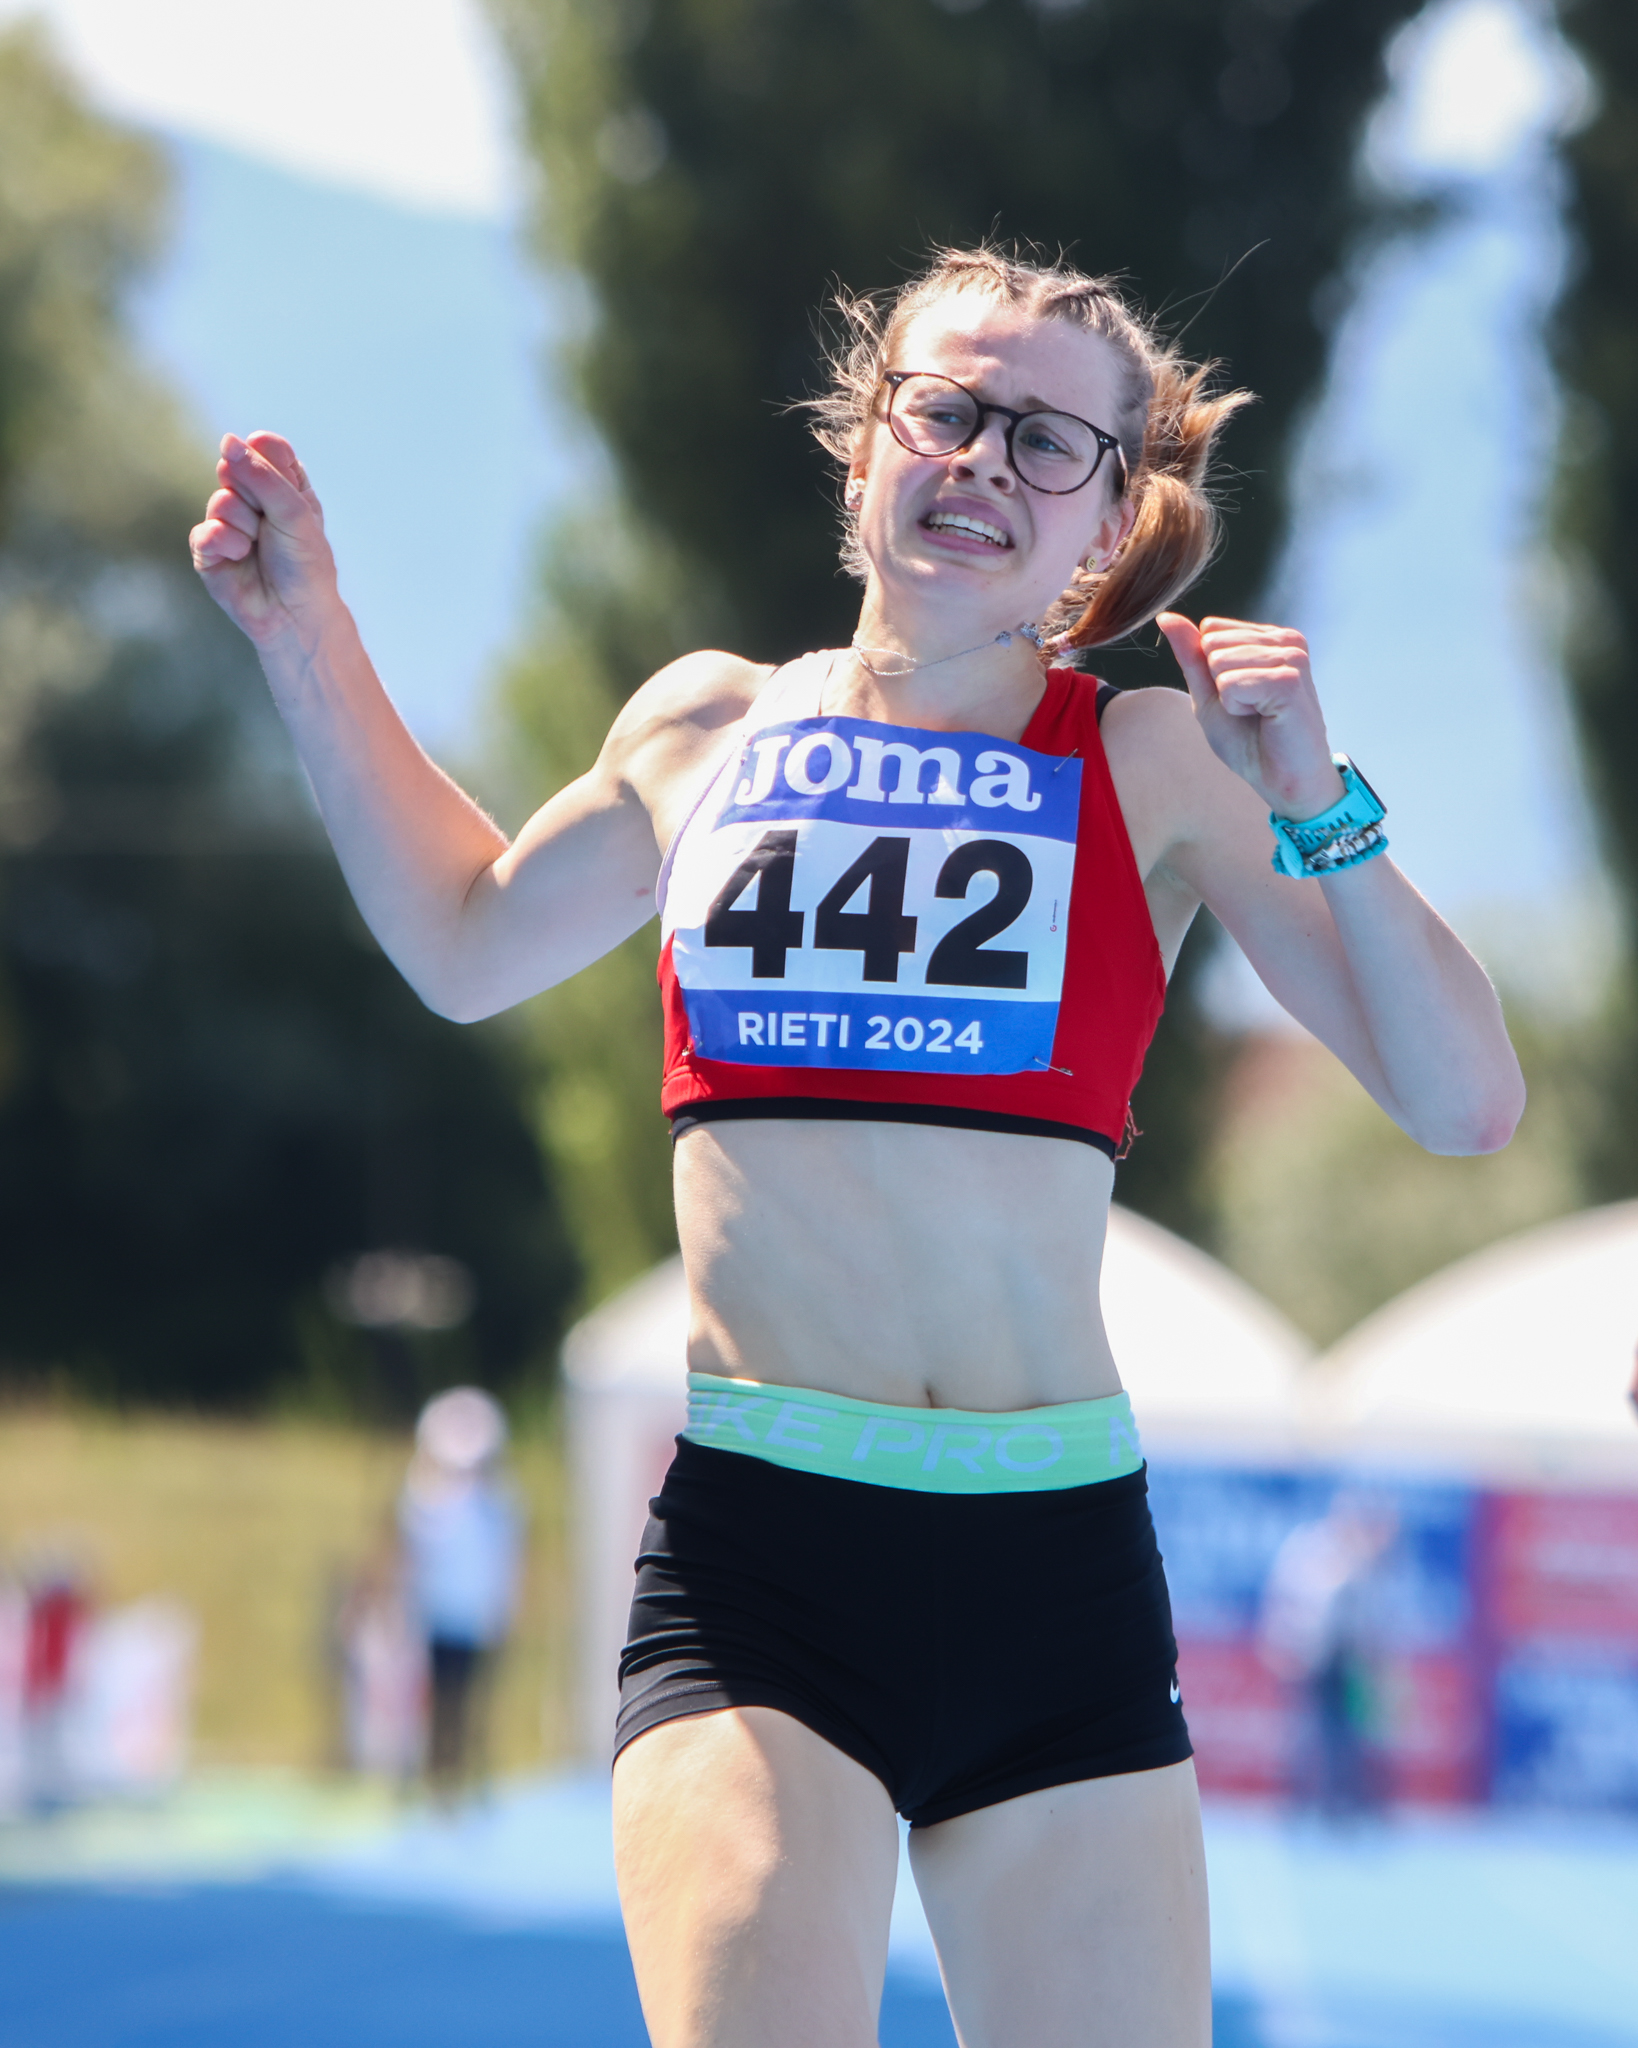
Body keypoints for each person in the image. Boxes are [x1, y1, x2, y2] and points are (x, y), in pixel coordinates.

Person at [191, 247, 1524, 2047]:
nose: (983, 461)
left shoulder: (1155, 761)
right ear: (859, 447)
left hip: (1052, 1574)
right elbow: (461, 936)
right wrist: (308, 639)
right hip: (765, 1567)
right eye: (946, 409)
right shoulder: (705, 727)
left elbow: (1462, 1103)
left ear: (1107, 522)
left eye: (1048, 443)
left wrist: (1315, 801)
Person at [396, 1386, 523, 1797]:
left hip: (475, 1620)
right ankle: (433, 1776)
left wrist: (504, 1612)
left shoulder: (497, 1503)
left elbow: (503, 1564)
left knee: (472, 1705)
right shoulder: (427, 1498)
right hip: (436, 1618)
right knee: (432, 1703)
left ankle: (468, 1776)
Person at [1258, 1492, 1399, 1817]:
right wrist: (1280, 1641)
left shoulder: (1364, 1554)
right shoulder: (1311, 1548)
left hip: (1350, 1661)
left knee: (1352, 1735)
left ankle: (1345, 1805)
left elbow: (1372, 1614)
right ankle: (1302, 1806)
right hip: (1310, 1656)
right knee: (1307, 1733)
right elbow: (1285, 1599)